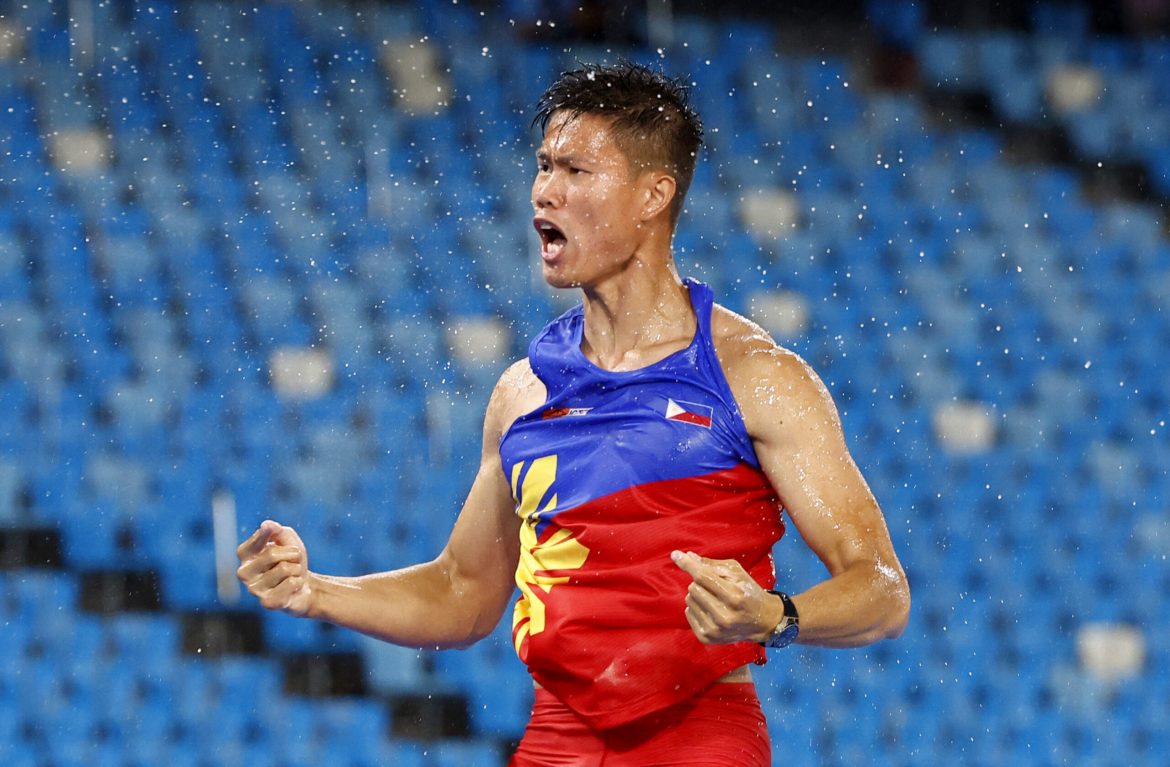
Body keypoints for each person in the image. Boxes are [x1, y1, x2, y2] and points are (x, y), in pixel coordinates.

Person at [237, 61, 910, 766]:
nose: (544, 192)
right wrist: (316, 592)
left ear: (653, 195)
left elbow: (882, 590)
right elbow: (464, 591)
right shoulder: (522, 393)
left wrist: (776, 615)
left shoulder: (756, 378)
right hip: (555, 742)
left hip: (697, 737)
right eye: (543, 166)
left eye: (576, 171)